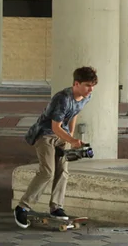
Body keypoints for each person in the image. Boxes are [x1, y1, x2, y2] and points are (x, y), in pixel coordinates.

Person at [14, 66, 98, 228]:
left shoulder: (86, 97)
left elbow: (75, 113)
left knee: (63, 172)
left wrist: (71, 136)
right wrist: (72, 140)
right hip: (45, 135)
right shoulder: (62, 99)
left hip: (62, 136)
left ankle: (56, 207)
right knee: (47, 172)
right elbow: (55, 127)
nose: (91, 89)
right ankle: (22, 207)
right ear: (76, 83)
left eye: (93, 85)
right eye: (87, 85)